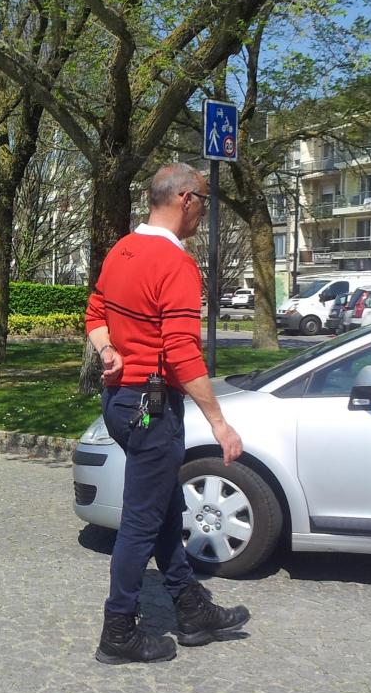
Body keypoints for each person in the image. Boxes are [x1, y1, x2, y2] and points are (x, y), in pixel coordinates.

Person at [85, 162, 251, 665]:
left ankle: (191, 608)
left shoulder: (122, 249)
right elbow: (181, 351)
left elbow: (94, 314)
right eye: (204, 198)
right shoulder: (176, 264)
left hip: (119, 403)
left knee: (161, 513)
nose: (205, 209)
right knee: (140, 522)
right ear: (184, 199)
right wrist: (219, 421)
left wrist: (107, 349)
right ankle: (119, 632)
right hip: (151, 409)